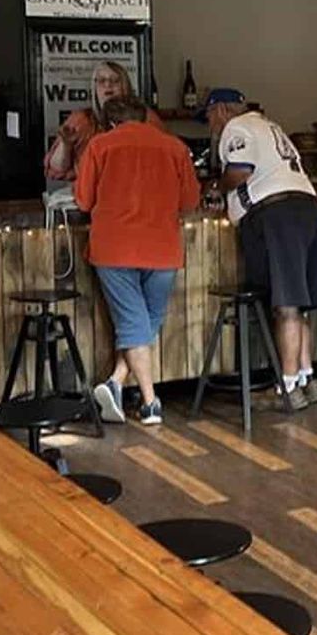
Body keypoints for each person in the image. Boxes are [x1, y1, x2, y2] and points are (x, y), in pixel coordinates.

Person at [74, 96, 200, 425]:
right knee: (145, 321)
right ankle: (135, 393)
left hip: (113, 247)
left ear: (109, 122)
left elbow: (84, 200)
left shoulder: (100, 146)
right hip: (162, 247)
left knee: (134, 323)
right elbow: (190, 200)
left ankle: (144, 399)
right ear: (144, 118)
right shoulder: (174, 147)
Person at [204, 88, 317, 411]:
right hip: (309, 210)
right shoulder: (269, 125)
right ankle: (306, 379)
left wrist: (216, 186)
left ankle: (286, 389)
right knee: (299, 304)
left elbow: (241, 170)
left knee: (286, 304)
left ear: (221, 110)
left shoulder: (237, 128)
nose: (209, 122)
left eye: (209, 115)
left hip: (276, 215)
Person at [44, 60, 162, 182]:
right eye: (101, 81)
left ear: (126, 86)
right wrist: (65, 145)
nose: (108, 85)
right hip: (88, 191)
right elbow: (56, 168)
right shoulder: (81, 119)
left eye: (115, 81)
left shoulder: (146, 117)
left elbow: (164, 161)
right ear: (94, 89)